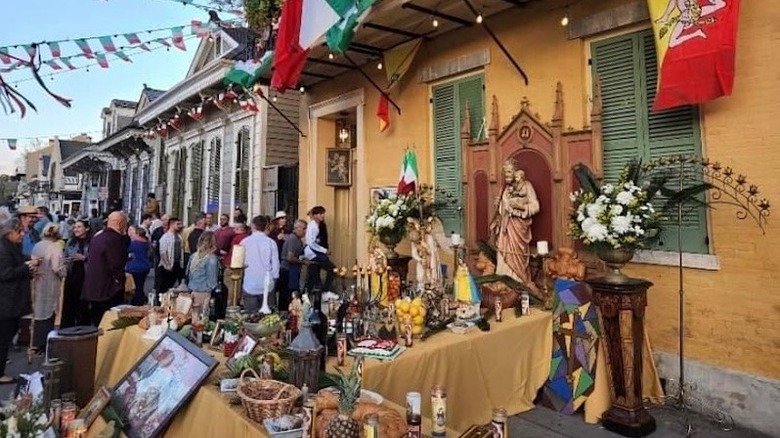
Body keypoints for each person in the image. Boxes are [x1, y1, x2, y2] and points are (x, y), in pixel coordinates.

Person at [490, 160, 540, 288]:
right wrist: (499, 205)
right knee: (503, 255)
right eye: (505, 172)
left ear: (515, 172)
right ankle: (504, 282)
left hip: (518, 229)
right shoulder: (504, 189)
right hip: (505, 229)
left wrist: (521, 208)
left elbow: (535, 206)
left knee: (517, 256)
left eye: (509, 171)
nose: (506, 174)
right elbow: (502, 210)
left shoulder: (526, 186)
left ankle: (518, 282)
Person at [0, 218, 36, 384]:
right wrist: (27, 266)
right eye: (19, 231)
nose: (22, 234)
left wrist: (27, 261)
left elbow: (17, 260)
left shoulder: (10, 246)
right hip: (6, 301)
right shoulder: (3, 248)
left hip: (10, 301)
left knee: (8, 333)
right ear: (10, 232)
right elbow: (6, 273)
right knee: (4, 336)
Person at [82, 211, 130, 326]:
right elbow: (116, 264)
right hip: (107, 290)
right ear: (120, 223)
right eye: (126, 224)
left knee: (97, 321)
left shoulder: (98, 237)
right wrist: (119, 281)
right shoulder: (115, 239)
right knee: (108, 323)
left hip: (93, 288)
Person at [31, 224, 67, 352]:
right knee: (49, 311)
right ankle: (44, 343)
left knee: (39, 311)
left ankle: (35, 341)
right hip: (50, 283)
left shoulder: (37, 245)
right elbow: (57, 268)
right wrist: (65, 270)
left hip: (38, 281)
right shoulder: (55, 248)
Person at [241, 216, 279, 312]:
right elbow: (275, 265)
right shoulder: (271, 243)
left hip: (250, 282)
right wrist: (274, 279)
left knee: (250, 316)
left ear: (253, 226)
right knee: (268, 319)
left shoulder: (244, 242)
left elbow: (240, 263)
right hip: (267, 282)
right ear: (266, 227)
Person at [62, 219, 90, 328]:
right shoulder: (71, 242)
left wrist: (85, 258)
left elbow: (96, 258)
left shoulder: (91, 242)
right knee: (70, 302)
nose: (76, 229)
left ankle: (83, 325)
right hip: (72, 274)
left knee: (83, 304)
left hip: (85, 275)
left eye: (79, 227)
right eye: (75, 227)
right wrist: (67, 260)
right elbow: (65, 255)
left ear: (86, 228)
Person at [186, 231, 219, 314]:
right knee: (203, 320)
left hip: (193, 291)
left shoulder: (193, 256)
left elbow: (188, 274)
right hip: (204, 293)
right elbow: (212, 280)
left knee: (193, 318)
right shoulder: (211, 259)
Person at [304, 206, 335, 292]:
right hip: (313, 253)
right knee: (331, 268)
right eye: (320, 214)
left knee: (312, 273)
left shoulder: (317, 226)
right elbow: (312, 243)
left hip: (314, 253)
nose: (322, 215)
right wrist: (324, 250)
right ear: (314, 215)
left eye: (323, 213)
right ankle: (325, 289)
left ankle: (307, 292)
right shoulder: (313, 227)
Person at [279, 219, 307, 311]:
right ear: (297, 228)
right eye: (304, 228)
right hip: (288, 270)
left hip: (291, 270)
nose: (305, 231)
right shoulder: (293, 239)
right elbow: (290, 257)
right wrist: (303, 262)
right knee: (289, 296)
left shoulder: (296, 239)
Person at [158, 217, 185, 293]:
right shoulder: (165, 237)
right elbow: (163, 252)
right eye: (178, 224)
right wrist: (167, 265)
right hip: (168, 265)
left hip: (178, 264)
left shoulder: (179, 236)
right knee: (165, 286)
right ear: (172, 224)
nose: (180, 226)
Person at [127, 226, 152, 306]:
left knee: (135, 287)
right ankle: (140, 300)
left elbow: (127, 253)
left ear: (137, 234)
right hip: (145, 266)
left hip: (135, 268)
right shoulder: (146, 243)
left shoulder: (134, 244)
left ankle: (136, 302)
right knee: (140, 285)